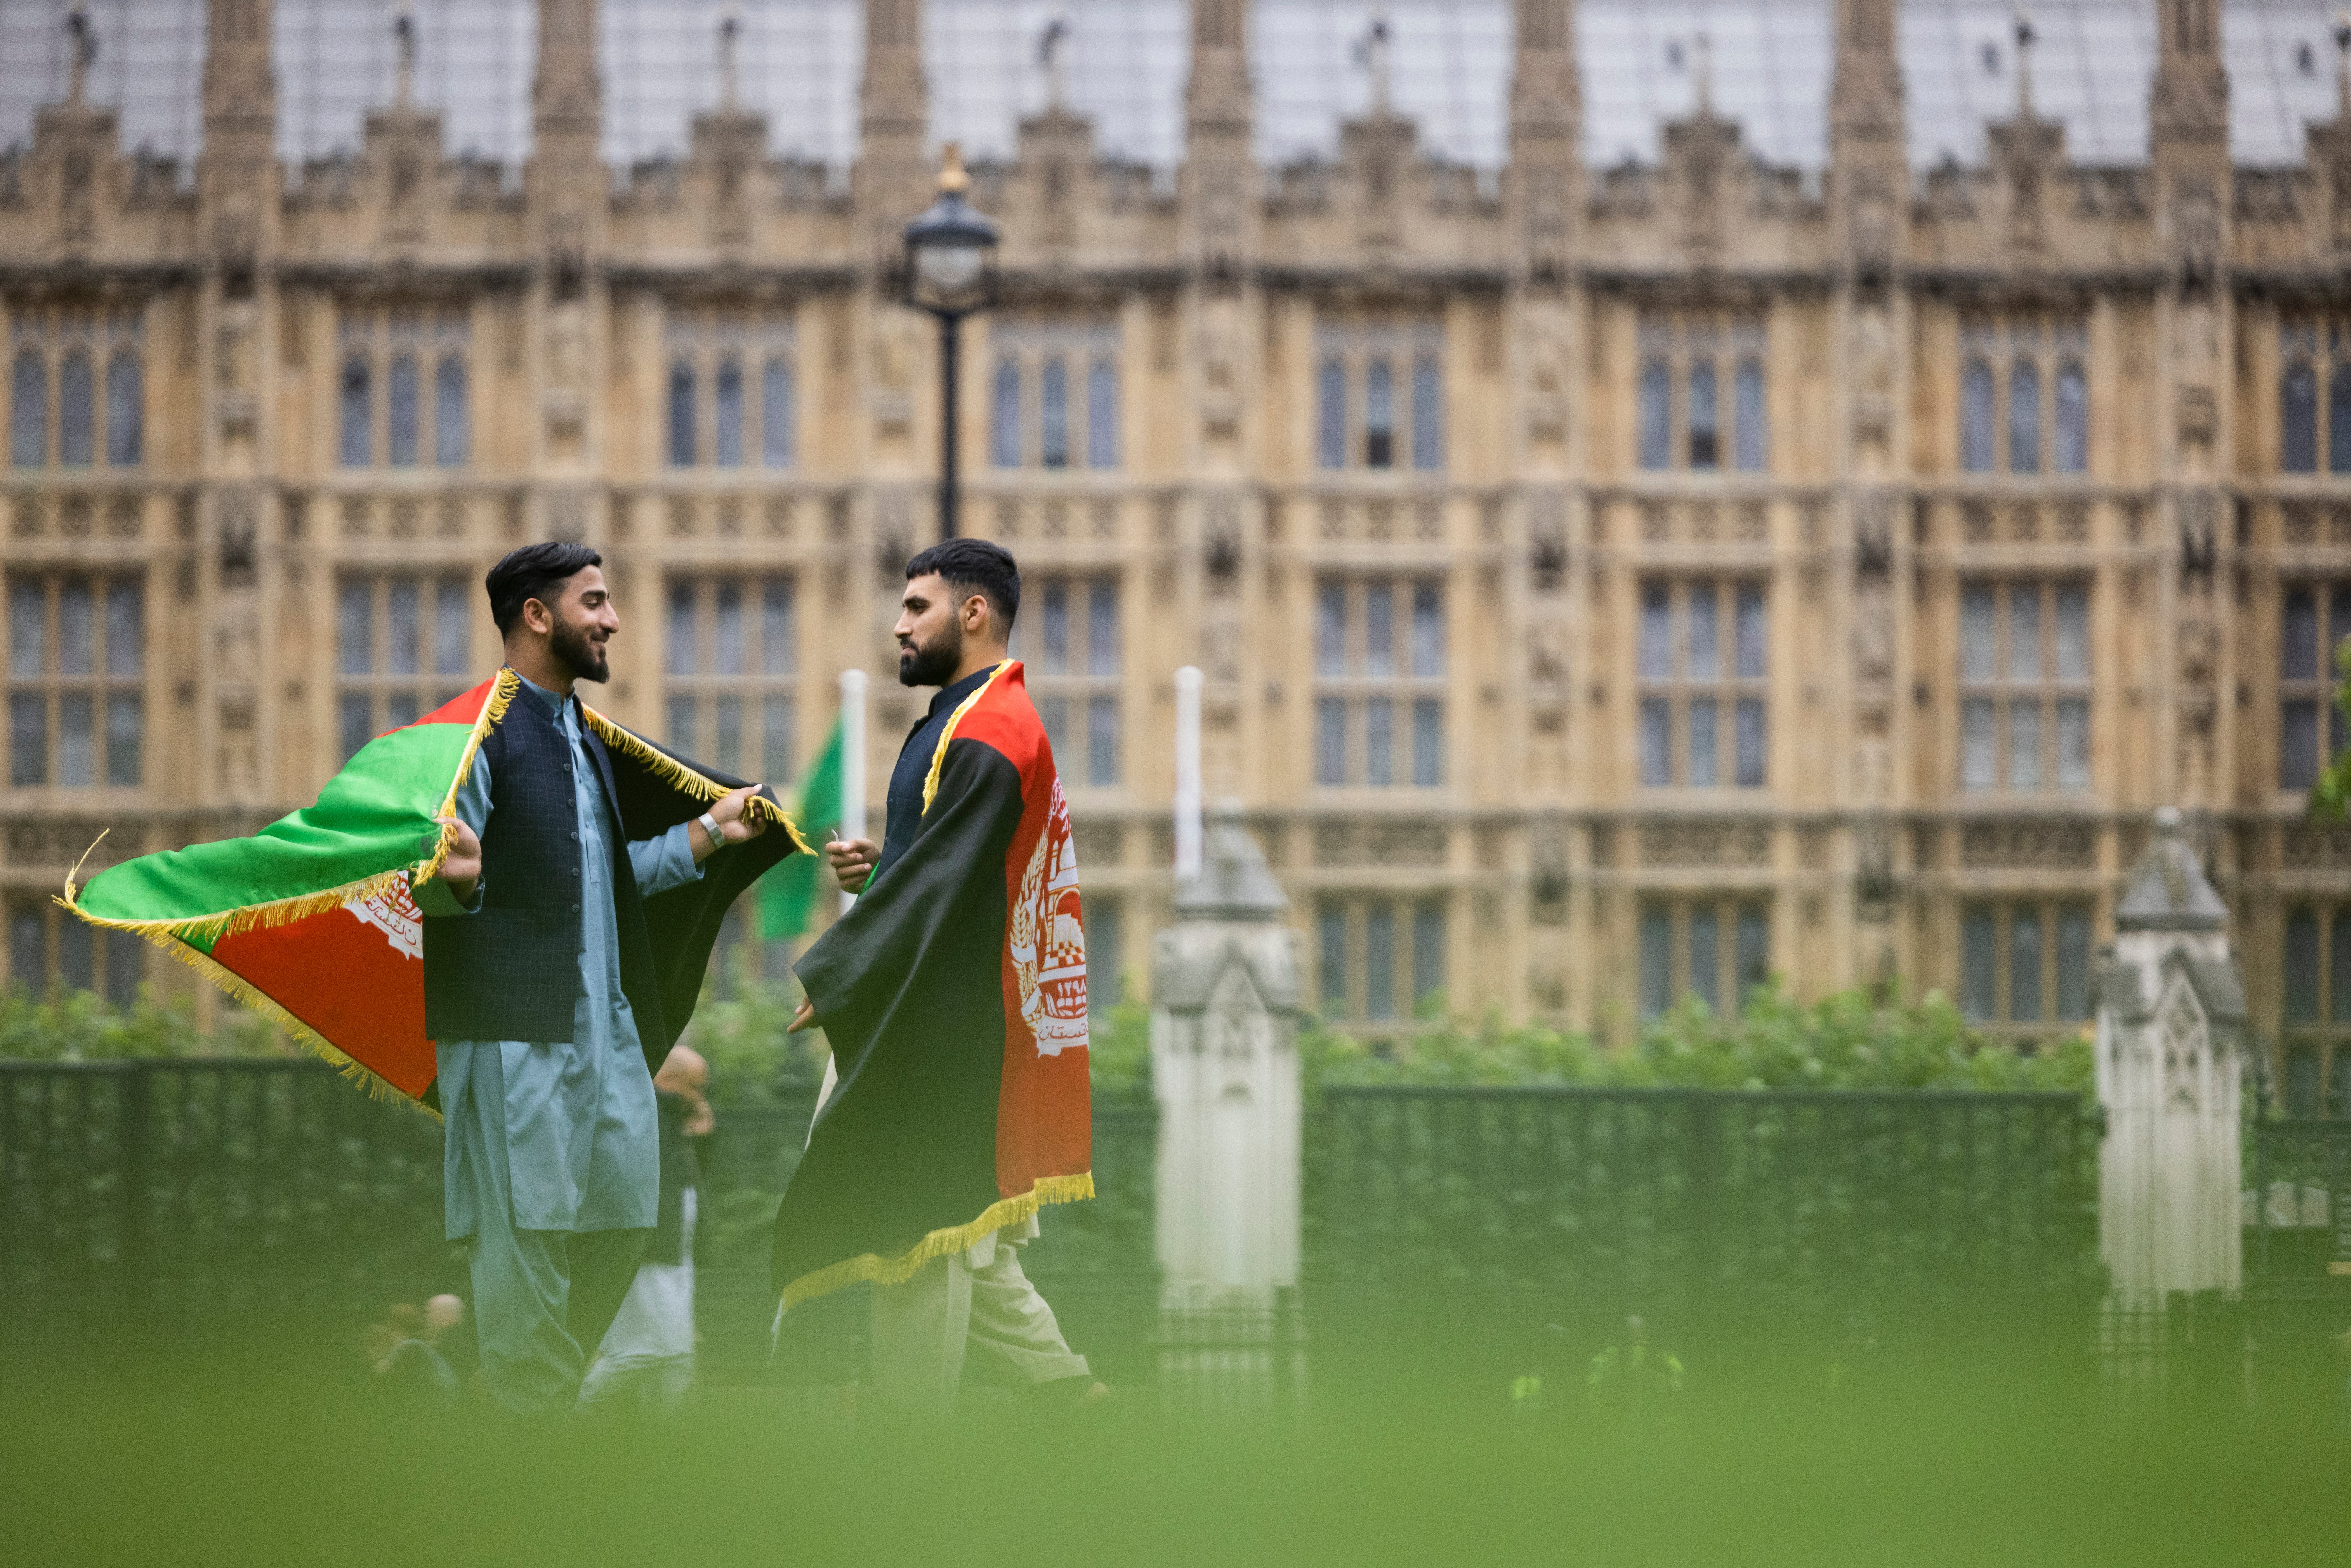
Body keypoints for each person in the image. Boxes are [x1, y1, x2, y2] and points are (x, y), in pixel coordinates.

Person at [421, 542, 774, 1416]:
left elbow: (606, 875)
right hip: (513, 1035)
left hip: (608, 1043)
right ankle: (523, 1432)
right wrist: (455, 881)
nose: (613, 619)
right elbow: (429, 878)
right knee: (525, 1243)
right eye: (596, 602)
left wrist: (712, 834)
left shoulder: (586, 738)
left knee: (625, 1222)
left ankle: (512, 1398)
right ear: (538, 616)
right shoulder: (474, 737)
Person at [772, 538, 1106, 1417]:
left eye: (916, 607)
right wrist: (888, 867)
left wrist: (841, 973)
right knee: (973, 1252)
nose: (898, 625)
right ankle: (1081, 1406)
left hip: (945, 1039)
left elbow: (947, 882)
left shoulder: (993, 729)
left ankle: (907, 1462)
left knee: (915, 1235)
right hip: (942, 1019)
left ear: (974, 613)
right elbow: (952, 872)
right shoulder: (969, 718)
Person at [579, 1043, 716, 1412]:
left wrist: (701, 1139)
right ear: (668, 1080)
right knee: (650, 1351)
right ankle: (569, 1415)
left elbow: (685, 1181)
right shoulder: (648, 1108)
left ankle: (663, 1453)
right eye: (694, 1088)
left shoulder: (672, 1123)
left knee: (678, 1358)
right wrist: (677, 1109)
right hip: (651, 1252)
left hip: (674, 1257)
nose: (700, 1099)